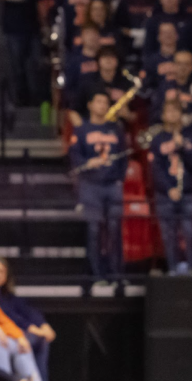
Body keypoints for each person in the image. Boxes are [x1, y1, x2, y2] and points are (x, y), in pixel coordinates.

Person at [71, 91, 128, 288]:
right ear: (90, 105)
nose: (103, 105)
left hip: (112, 185)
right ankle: (97, 275)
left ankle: (117, 274)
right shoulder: (81, 130)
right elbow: (75, 158)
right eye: (99, 102)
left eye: (106, 102)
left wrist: (119, 179)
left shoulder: (116, 129)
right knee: (94, 230)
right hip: (90, 186)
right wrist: (88, 163)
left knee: (115, 230)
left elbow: (123, 157)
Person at [149, 100, 192, 274]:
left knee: (191, 234)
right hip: (165, 194)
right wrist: (168, 188)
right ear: (163, 115)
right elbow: (155, 169)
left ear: (181, 115)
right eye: (169, 111)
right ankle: (173, 270)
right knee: (169, 235)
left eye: (176, 111)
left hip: (188, 193)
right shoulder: (157, 139)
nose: (172, 115)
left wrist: (183, 148)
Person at [72, 47, 135, 126]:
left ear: (118, 61)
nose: (108, 60)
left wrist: (127, 115)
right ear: (98, 60)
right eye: (104, 56)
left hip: (118, 128)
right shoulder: (87, 82)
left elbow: (136, 116)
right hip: (91, 127)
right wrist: (83, 130)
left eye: (112, 57)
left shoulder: (127, 84)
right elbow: (74, 110)